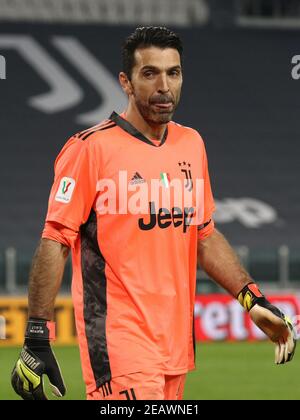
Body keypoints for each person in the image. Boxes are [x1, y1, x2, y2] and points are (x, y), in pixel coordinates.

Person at [11, 26, 296, 401]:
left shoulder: (191, 144)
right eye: (150, 73)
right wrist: (36, 335)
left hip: (175, 348)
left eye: (173, 72)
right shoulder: (88, 150)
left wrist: (252, 300)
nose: (164, 85)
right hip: (118, 344)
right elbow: (55, 239)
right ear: (126, 82)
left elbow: (204, 235)